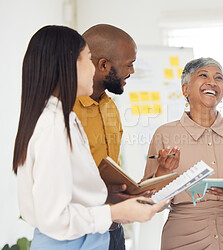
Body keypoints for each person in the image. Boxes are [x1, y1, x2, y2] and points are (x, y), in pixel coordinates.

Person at [13, 25, 165, 249]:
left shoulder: (60, 119)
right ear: (68, 66)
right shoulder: (54, 126)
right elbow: (55, 218)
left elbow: (72, 191)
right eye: (86, 59)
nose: (92, 69)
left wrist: (110, 198)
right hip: (73, 241)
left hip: (90, 237)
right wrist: (115, 211)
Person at [142, 58, 223, 250]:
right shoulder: (165, 134)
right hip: (183, 238)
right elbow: (147, 199)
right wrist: (162, 172)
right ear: (185, 90)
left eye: (219, 78)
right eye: (203, 75)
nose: (212, 82)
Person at [73, 24, 147, 249]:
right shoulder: (65, 110)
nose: (132, 71)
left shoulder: (110, 107)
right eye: (128, 64)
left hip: (114, 229)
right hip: (81, 231)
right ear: (103, 65)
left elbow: (111, 167)